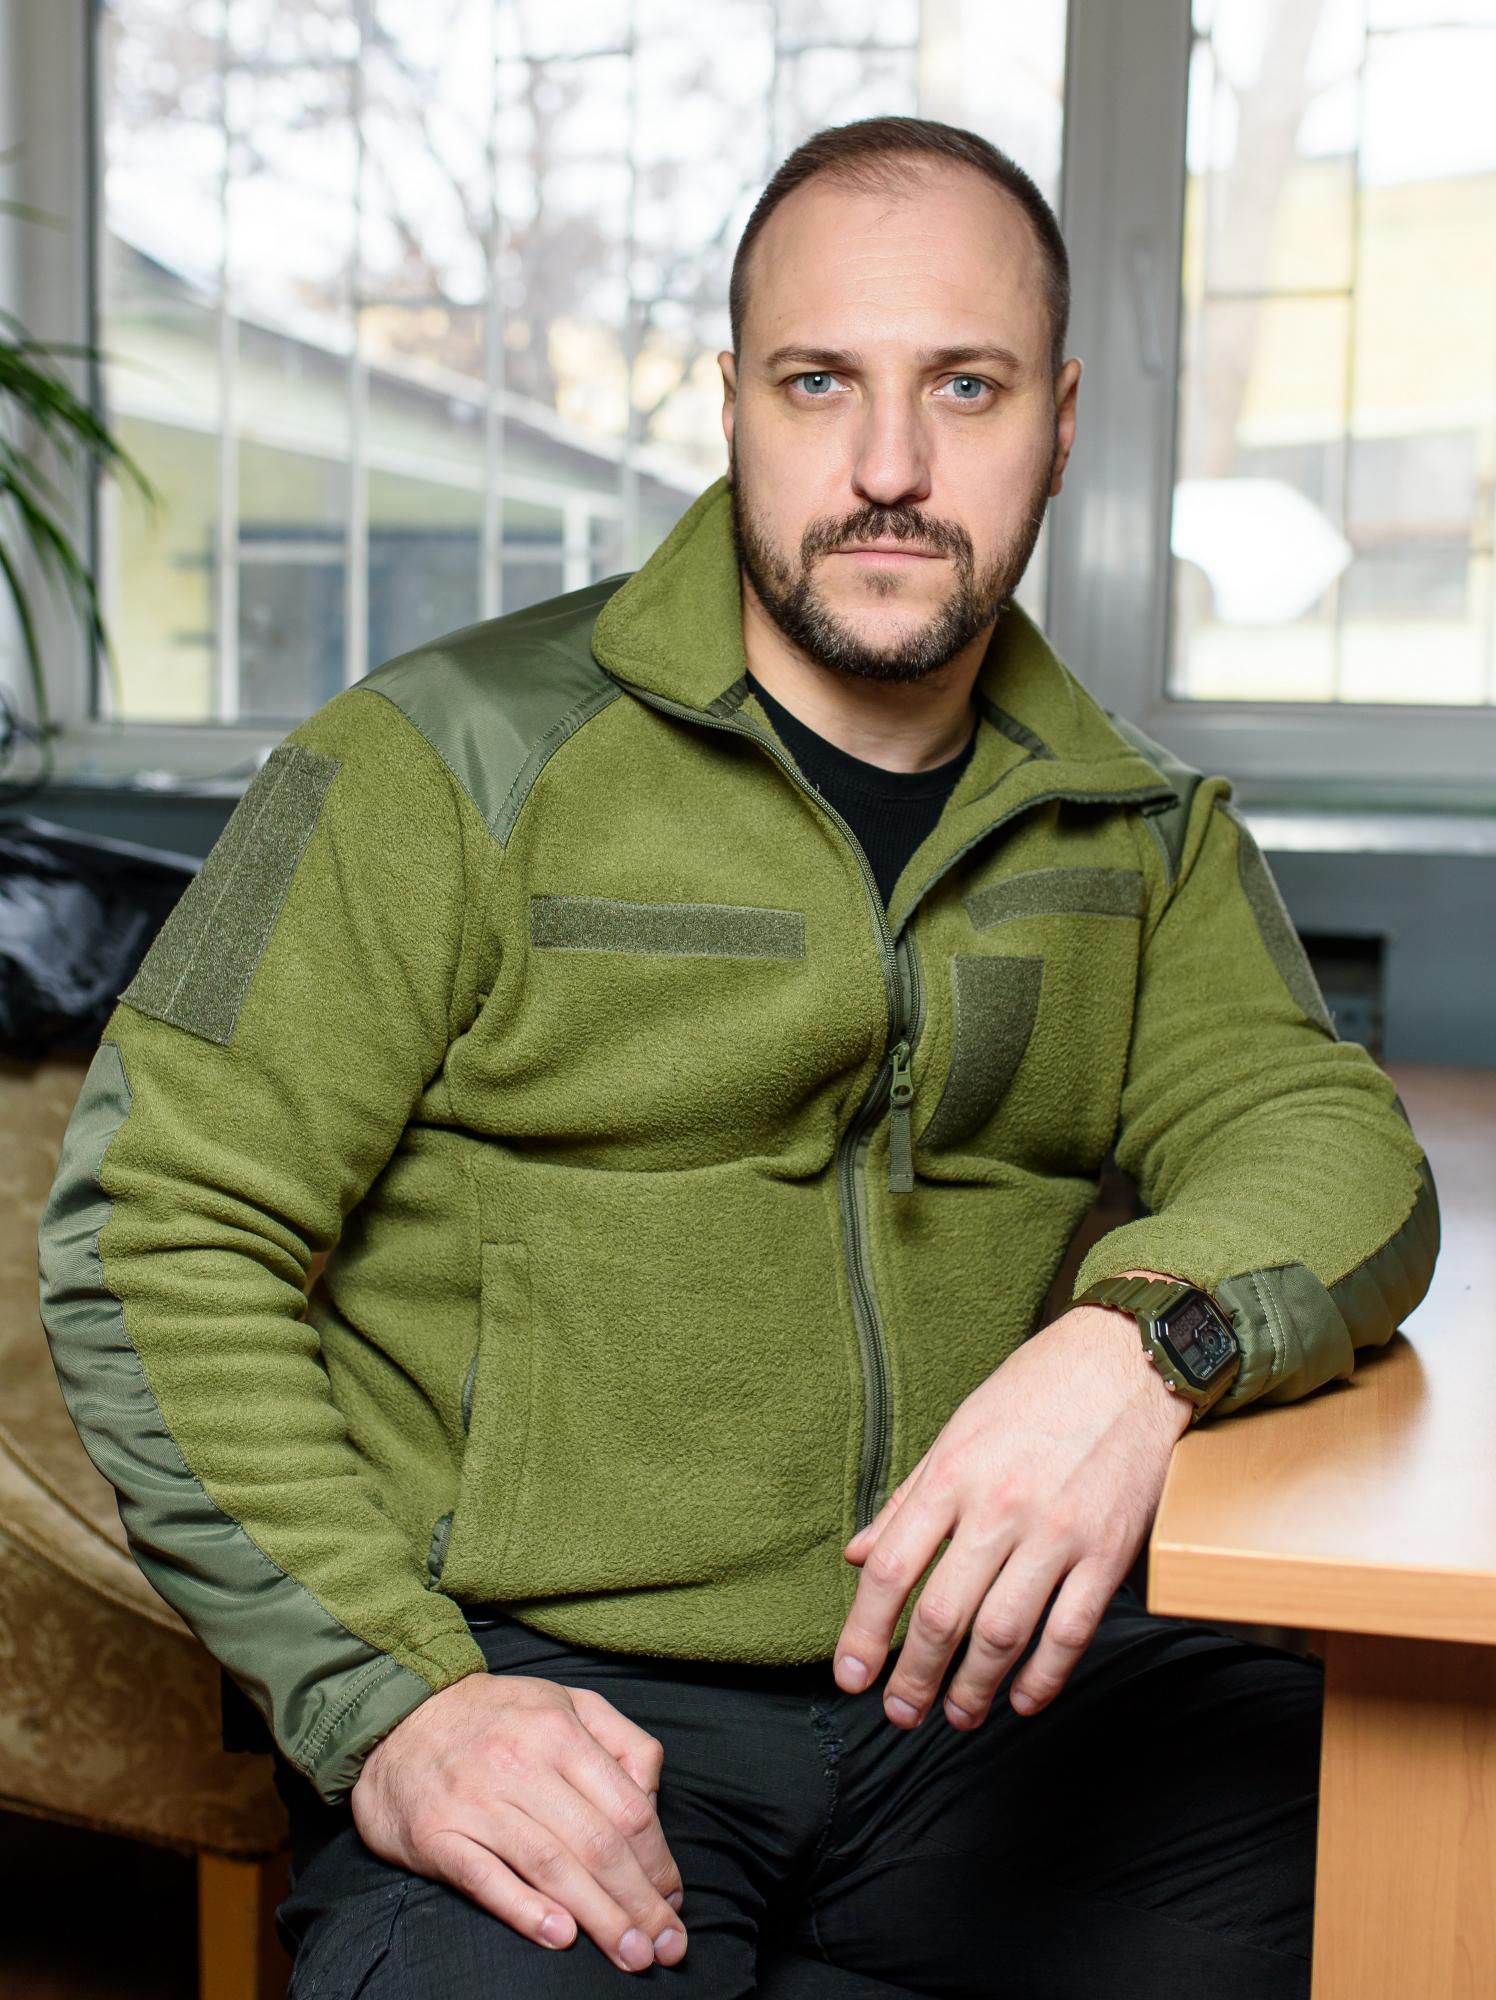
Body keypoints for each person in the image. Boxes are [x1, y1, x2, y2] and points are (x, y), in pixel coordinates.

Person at [38, 115, 1437, 1997]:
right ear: (729, 407)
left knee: (1441, 1871)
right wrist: (395, 1699)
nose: (889, 467)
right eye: (816, 381)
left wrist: (1140, 1346)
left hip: (1001, 1689)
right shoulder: (431, 762)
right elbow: (153, 1239)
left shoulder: (1133, 826)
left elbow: (1330, 1139)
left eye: (965, 385)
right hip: (546, 1692)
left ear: (1061, 423)